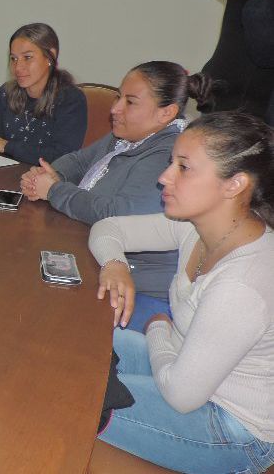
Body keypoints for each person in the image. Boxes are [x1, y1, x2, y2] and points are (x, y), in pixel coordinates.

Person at [89, 112, 274, 473]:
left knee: (72, 395)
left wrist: (158, 327)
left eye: (183, 168)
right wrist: (115, 265)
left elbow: (181, 395)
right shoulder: (196, 227)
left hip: (233, 429)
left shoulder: (243, 284)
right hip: (187, 367)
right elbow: (107, 228)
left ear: (234, 184)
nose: (165, 177)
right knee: (83, 348)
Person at [21, 62, 212, 331]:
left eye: (130, 102)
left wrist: (53, 190)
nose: (115, 109)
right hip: (92, 248)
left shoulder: (168, 154)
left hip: (136, 287)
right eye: (118, 97)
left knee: (40, 317)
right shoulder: (126, 135)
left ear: (166, 113)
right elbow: (78, 161)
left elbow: (116, 213)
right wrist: (48, 175)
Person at [0, 23, 86, 165]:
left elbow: (62, 157)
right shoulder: (6, 93)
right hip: (2, 175)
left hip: (44, 182)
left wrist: (7, 146)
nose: (18, 67)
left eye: (27, 57)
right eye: (13, 58)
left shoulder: (70, 99)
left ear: (50, 57)